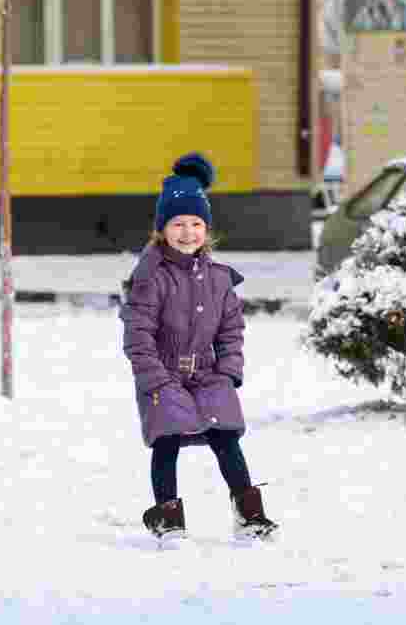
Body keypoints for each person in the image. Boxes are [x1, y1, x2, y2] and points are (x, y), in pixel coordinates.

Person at [120, 153, 277, 540]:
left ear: (206, 229)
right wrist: (154, 380)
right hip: (165, 373)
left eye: (195, 224)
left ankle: (249, 515)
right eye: (177, 224)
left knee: (225, 435)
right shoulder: (151, 278)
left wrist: (228, 371)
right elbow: (137, 335)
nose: (187, 232)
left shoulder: (219, 279)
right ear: (162, 229)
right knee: (167, 437)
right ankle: (167, 516)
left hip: (208, 374)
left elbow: (231, 330)